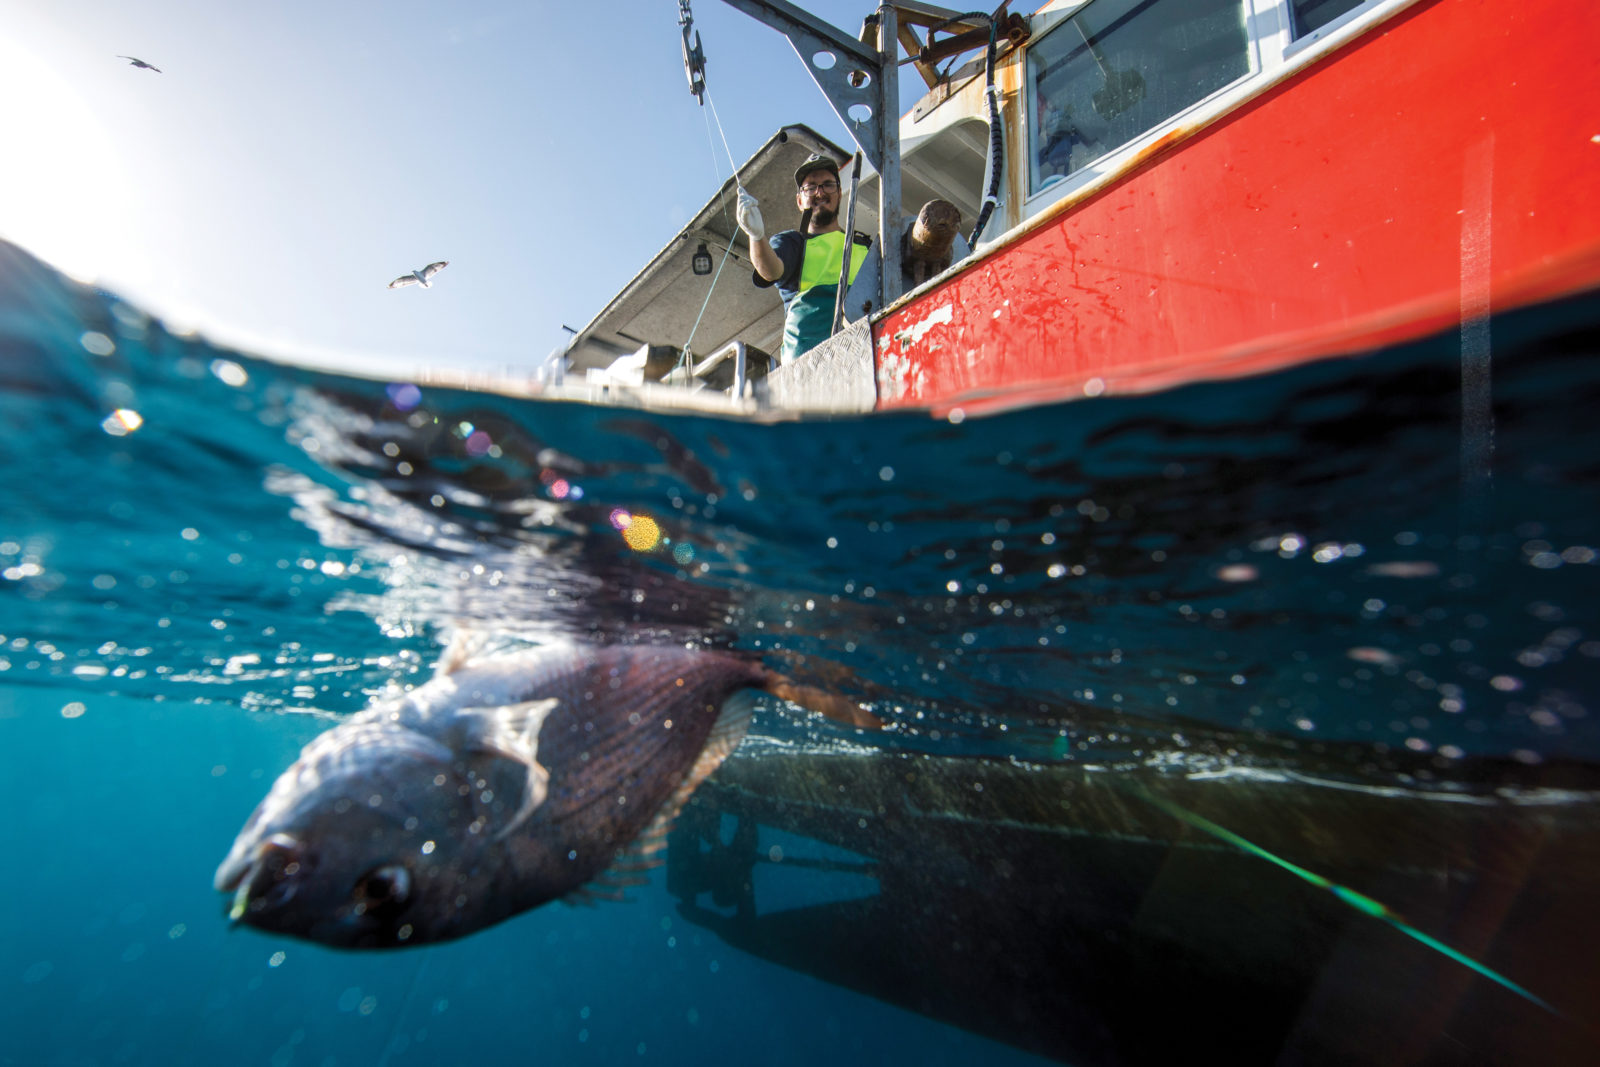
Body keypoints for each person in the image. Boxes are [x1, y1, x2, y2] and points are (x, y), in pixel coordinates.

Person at [737, 155, 870, 365]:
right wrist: (756, 236)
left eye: (828, 185)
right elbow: (770, 270)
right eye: (811, 187)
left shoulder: (865, 247)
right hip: (807, 370)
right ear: (800, 200)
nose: (820, 192)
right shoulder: (793, 243)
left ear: (839, 193)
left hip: (863, 358)